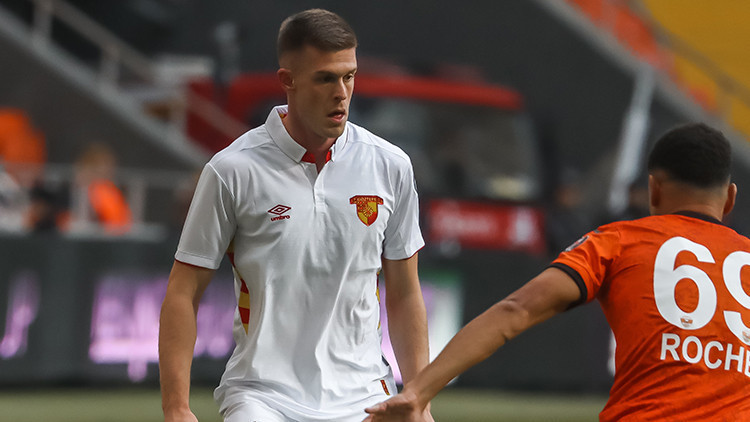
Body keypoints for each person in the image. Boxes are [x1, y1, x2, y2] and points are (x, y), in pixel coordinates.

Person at [364, 123, 750, 421]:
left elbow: (516, 310)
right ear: (730, 197)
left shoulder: (617, 242)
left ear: (654, 189)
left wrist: (417, 392)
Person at [159, 9, 432, 422]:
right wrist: (176, 407)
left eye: (349, 76)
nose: (341, 93)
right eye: (325, 79)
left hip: (364, 395)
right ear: (287, 80)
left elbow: (405, 292)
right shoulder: (231, 171)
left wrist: (419, 399)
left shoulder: (390, 166)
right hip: (261, 396)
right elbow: (183, 292)